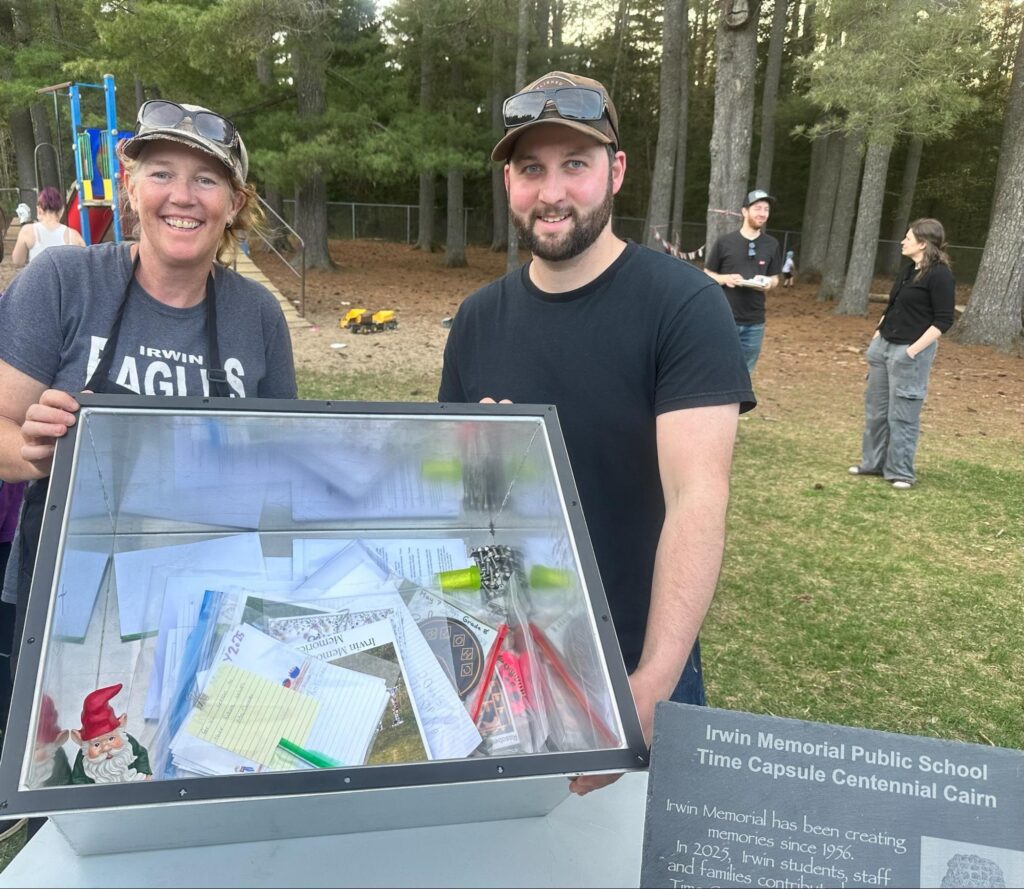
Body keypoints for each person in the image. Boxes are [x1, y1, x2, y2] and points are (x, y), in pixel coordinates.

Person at [438, 71, 755, 793]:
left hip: (635, 658)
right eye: (531, 169)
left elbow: (698, 499)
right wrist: (477, 471)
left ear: (615, 171)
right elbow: (462, 506)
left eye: (575, 164)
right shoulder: (478, 319)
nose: (551, 192)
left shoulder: (684, 306)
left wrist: (653, 683)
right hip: (510, 662)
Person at [0, 99, 298, 681]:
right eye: (161, 173)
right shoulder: (62, 283)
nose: (182, 197)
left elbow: (283, 466)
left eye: (206, 179)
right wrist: (36, 452)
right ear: (129, 186)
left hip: (212, 604)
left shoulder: (258, 314)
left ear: (234, 203)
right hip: (66, 606)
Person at [848, 218, 955, 489]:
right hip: (883, 348)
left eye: (908, 238)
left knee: (903, 415)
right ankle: (872, 463)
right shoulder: (908, 270)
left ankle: (900, 472)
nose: (902, 241)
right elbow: (892, 306)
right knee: (876, 412)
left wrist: (911, 352)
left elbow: (943, 321)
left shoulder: (940, 274)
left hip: (909, 354)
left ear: (923, 243)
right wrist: (877, 335)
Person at [703, 189, 783, 372]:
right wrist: (725, 278)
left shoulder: (772, 244)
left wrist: (769, 283)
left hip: (755, 322)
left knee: (745, 375)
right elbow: (707, 273)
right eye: (757, 208)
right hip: (725, 318)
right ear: (744, 211)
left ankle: (739, 402)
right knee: (718, 369)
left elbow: (774, 278)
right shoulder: (725, 242)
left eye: (766, 209)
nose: (762, 213)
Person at [10, 186, 86, 266]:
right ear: (62, 210)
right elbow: (84, 263)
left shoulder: (27, 231)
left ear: (39, 210)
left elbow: (17, 261)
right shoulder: (74, 235)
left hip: (38, 278)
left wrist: (23, 222)